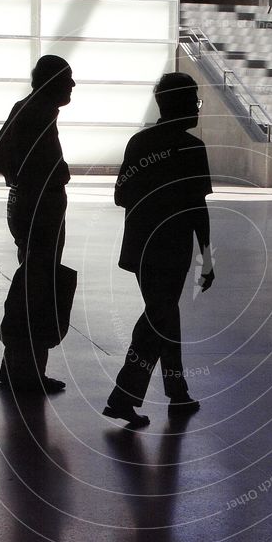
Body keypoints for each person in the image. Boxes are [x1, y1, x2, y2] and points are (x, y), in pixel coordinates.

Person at [104, 72, 215, 427]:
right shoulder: (192, 149)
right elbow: (198, 208)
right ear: (182, 104)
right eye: (195, 100)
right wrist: (207, 257)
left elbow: (121, 195)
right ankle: (124, 395)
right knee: (158, 317)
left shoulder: (139, 144)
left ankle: (177, 390)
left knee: (165, 315)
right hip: (172, 249)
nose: (198, 107)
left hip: (141, 246)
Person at [0, 54, 76, 393]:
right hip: (40, 209)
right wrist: (34, 182)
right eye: (67, 79)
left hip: (32, 203)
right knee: (38, 287)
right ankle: (26, 374)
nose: (72, 85)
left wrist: (20, 180)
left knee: (34, 282)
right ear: (52, 81)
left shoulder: (31, 109)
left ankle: (18, 368)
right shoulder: (36, 113)